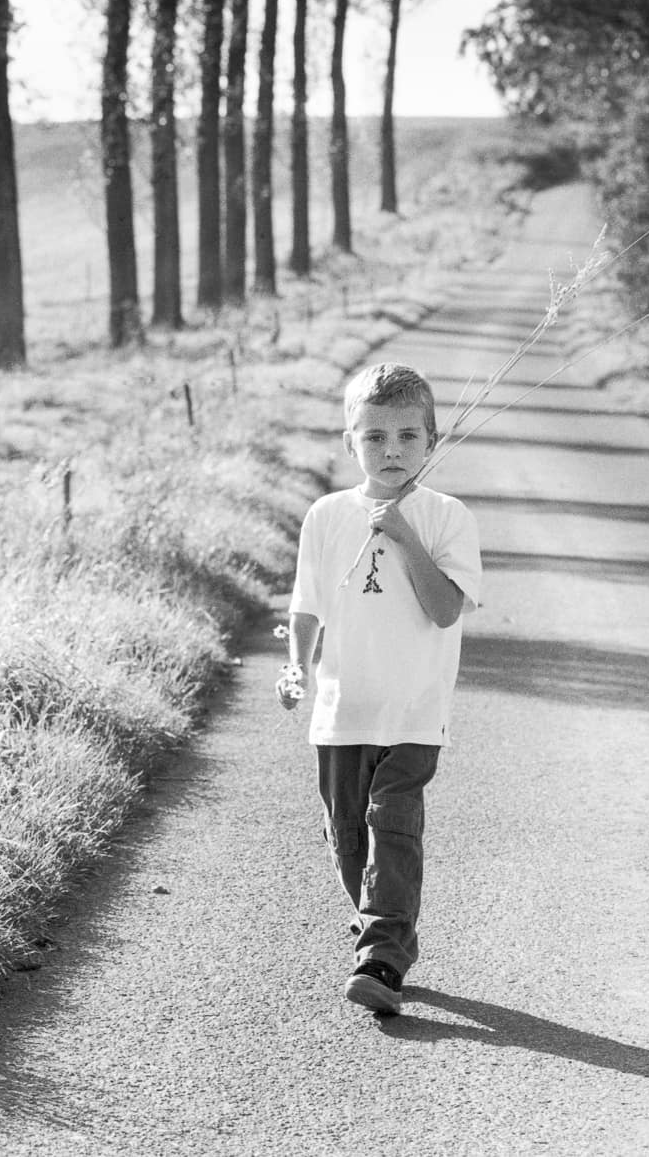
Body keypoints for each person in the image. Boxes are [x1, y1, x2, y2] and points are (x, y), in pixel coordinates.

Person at [277, 361, 482, 1015]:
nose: (391, 451)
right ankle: (375, 915)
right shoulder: (326, 515)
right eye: (374, 437)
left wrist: (402, 533)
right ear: (350, 443)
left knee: (392, 825)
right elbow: (307, 605)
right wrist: (297, 665)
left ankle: (384, 958)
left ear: (431, 442)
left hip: (413, 712)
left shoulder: (446, 518)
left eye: (407, 437)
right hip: (343, 711)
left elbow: (445, 609)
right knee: (348, 838)